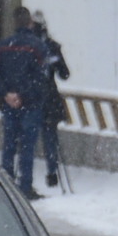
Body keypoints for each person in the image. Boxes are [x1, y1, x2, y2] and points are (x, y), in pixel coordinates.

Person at [0, 12, 52, 196]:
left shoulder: (2, 46)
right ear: (30, 23)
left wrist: (6, 93)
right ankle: (25, 185)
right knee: (27, 146)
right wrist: (23, 94)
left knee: (9, 143)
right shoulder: (38, 47)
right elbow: (41, 76)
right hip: (31, 103)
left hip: (8, 103)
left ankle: (6, 183)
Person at [34, 12, 71, 190]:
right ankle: (52, 172)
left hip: (30, 98)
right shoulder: (52, 47)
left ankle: (26, 178)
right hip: (49, 98)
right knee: (50, 138)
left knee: (27, 138)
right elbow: (64, 74)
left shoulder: (24, 46)